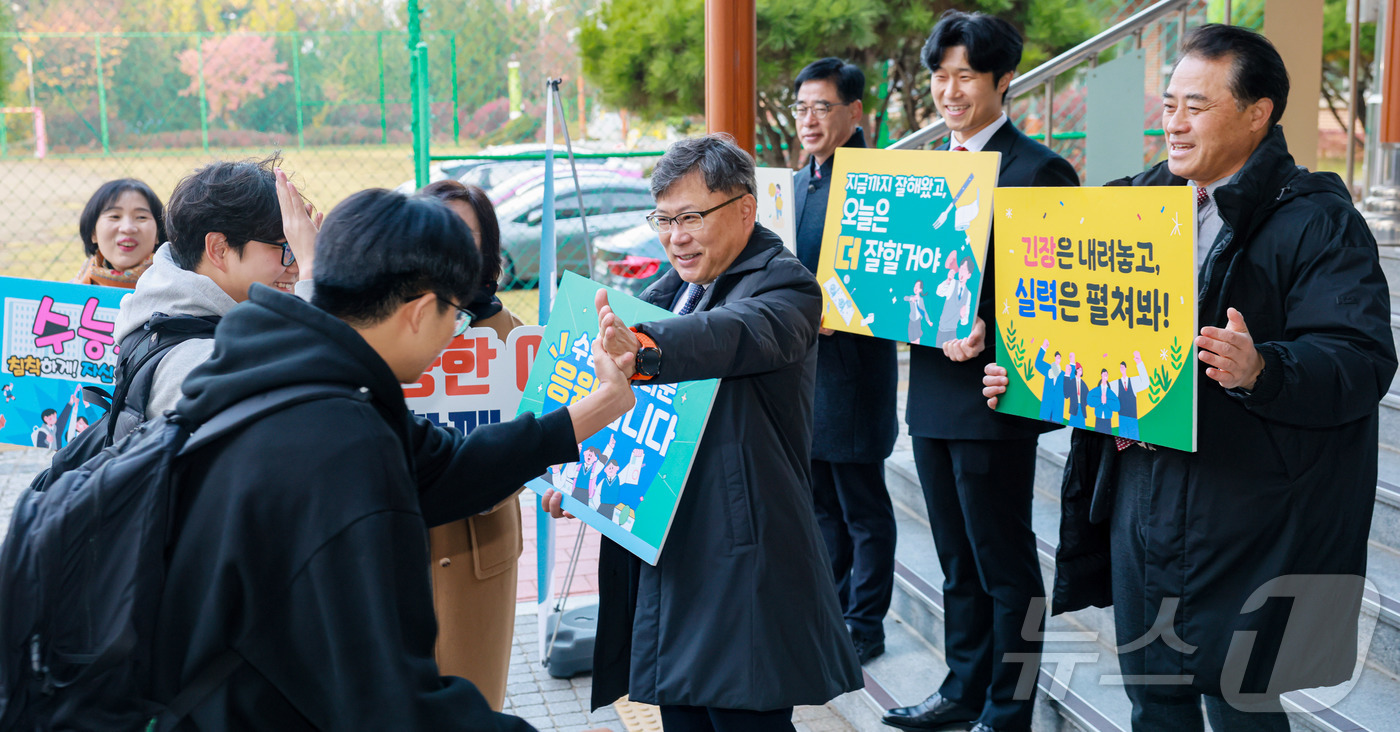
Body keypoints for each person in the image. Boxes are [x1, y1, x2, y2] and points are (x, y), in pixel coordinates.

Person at [983, 24, 1396, 732]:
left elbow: (1360, 357)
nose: (1172, 123)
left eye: (1195, 107)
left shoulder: (1316, 219)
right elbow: (1097, 340)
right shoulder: (1131, 208)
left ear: (1257, 112)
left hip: (1250, 505)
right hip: (1142, 500)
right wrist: (1032, 377)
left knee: (1240, 699)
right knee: (1156, 694)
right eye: (1169, 104)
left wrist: (1264, 368)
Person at [149, 187, 638, 729]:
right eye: (452, 314)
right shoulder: (339, 441)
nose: (455, 332)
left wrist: (599, 407)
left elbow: (449, 467)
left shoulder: (278, 361)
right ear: (420, 311)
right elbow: (390, 706)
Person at [547, 134, 862, 731]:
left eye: (691, 217)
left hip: (742, 558)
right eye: (663, 220)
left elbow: (731, 335)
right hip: (670, 549)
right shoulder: (668, 293)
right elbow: (631, 418)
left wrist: (642, 348)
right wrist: (580, 476)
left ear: (745, 208)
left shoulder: (787, 288)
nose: (675, 237)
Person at [883, 11, 1079, 732]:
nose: (949, 91)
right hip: (931, 393)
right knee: (956, 560)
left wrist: (996, 325)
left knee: (1005, 562)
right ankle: (963, 687)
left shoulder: (1039, 169)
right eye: (940, 76)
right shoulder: (926, 172)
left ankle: (1011, 705)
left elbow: (1060, 295)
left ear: (1003, 80)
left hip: (998, 396)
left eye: (966, 75)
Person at [791, 56, 899, 664]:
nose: (809, 119)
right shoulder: (804, 178)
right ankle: (831, 612)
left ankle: (866, 625)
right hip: (807, 367)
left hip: (854, 371)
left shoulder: (876, 180)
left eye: (822, 107)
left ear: (854, 112)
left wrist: (846, 307)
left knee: (862, 504)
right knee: (823, 502)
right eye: (802, 107)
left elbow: (896, 277)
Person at [417, 179, 526, 710]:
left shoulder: (515, 337)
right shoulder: (383, 329)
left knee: (477, 709)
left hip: (481, 554)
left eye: (465, 231)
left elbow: (547, 434)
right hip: (398, 555)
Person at [113, 154, 311, 420]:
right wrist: (313, 279)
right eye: (287, 248)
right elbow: (314, 403)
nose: (297, 265)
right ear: (219, 249)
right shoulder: (195, 362)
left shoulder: (166, 308)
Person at [72, 179, 166, 288]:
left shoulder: (178, 291)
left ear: (158, 234)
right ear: (93, 233)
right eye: (115, 217)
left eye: (141, 217)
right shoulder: (69, 294)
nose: (128, 228)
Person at [1113, 353, 1150, 440]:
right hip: (1121, 418)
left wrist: (1139, 363)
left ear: (1125, 368)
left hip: (1132, 418)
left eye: (1123, 367)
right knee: (1123, 438)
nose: (1121, 369)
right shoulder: (1115, 383)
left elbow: (1145, 382)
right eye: (1120, 367)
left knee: (1135, 438)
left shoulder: (1133, 381)